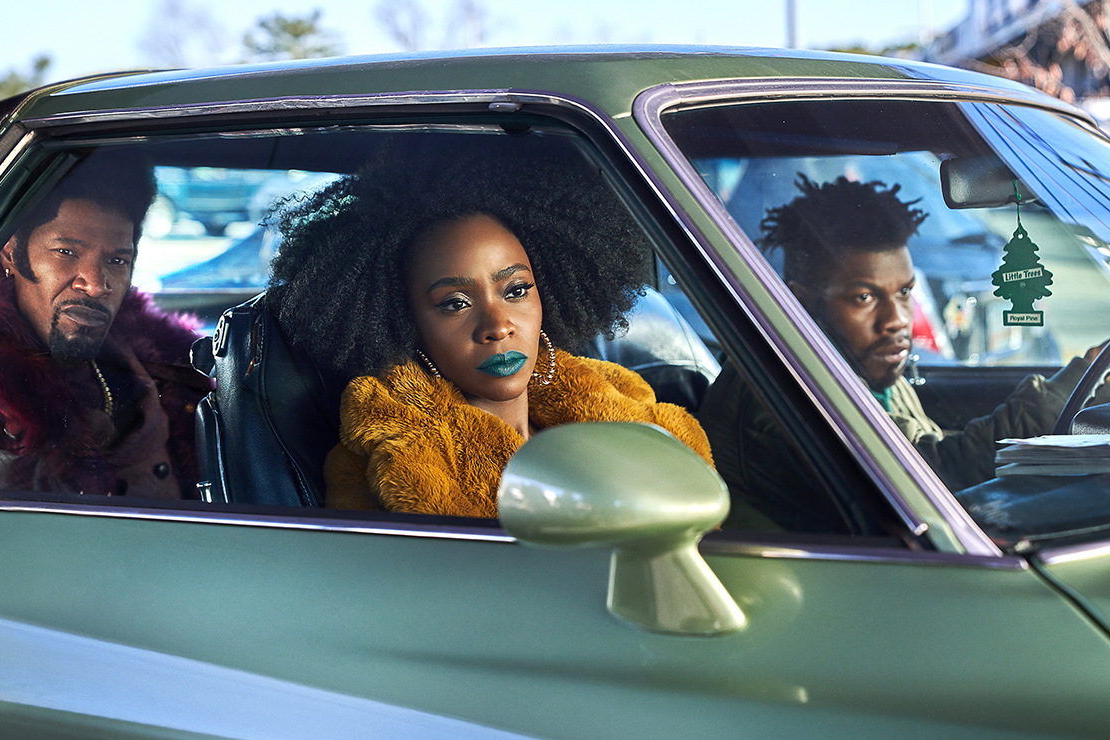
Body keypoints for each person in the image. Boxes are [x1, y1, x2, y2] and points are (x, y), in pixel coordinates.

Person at [266, 140, 714, 516]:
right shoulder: (382, 467)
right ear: (404, 322)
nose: (498, 326)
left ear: (550, 291)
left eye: (516, 290)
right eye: (455, 303)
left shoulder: (623, 404)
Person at [701, 175, 1104, 528]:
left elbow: (925, 443)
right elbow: (937, 476)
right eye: (864, 297)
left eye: (906, 291)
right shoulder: (778, 396)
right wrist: (1074, 381)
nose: (896, 319)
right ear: (801, 304)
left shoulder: (855, 365)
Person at [0, 152, 213, 498]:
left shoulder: (156, 351)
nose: (97, 284)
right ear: (11, 253)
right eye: (66, 253)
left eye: (117, 260)